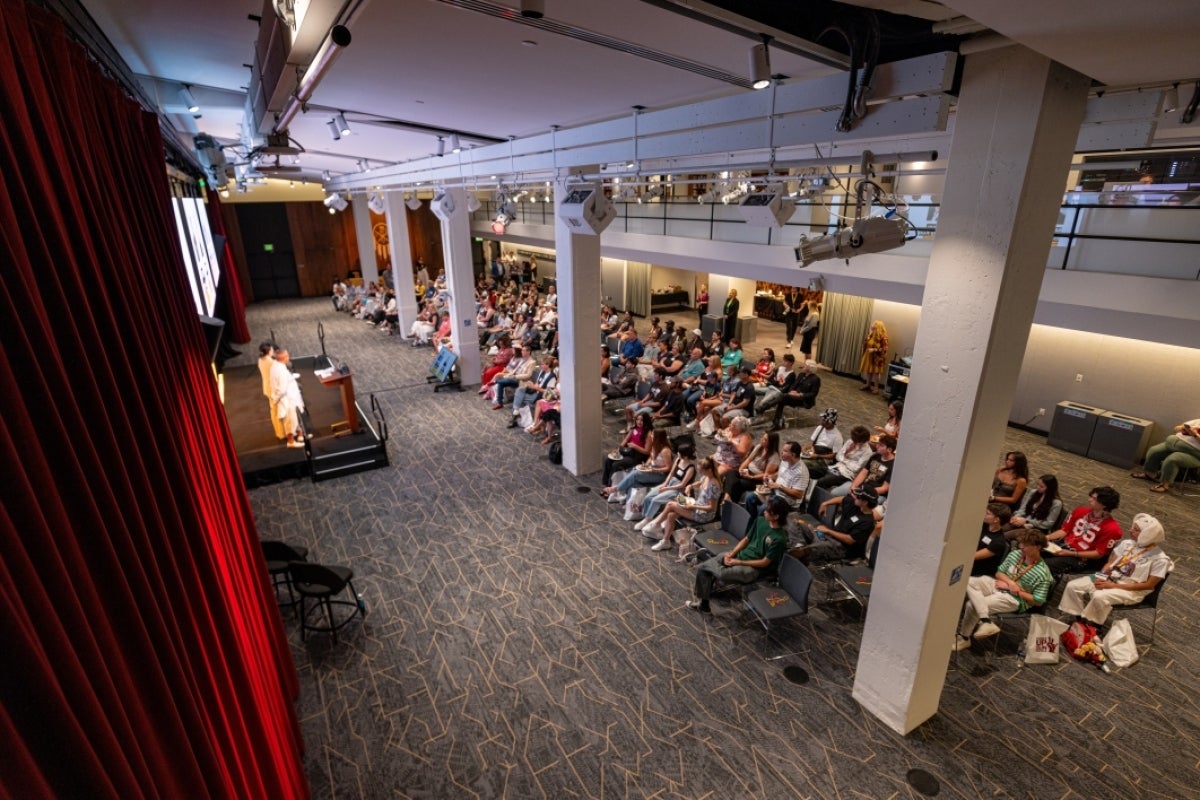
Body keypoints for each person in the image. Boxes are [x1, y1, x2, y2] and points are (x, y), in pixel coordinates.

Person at [1058, 513, 1170, 627]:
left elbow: (1148, 586)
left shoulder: (1160, 559)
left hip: (1130, 590)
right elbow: (1110, 563)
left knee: (1099, 596)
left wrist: (1112, 586)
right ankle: (1078, 619)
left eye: (1135, 530)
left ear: (1147, 535)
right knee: (1073, 585)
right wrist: (1101, 576)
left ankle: (1093, 626)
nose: (1130, 530)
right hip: (1109, 578)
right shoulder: (1127, 543)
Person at [686, 496, 790, 613]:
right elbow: (746, 539)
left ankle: (708, 575)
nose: (764, 511)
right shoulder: (760, 521)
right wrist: (732, 553)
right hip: (741, 555)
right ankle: (704, 605)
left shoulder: (779, 539)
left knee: (721, 574)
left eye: (768, 511)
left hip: (755, 569)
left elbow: (765, 562)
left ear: (776, 516)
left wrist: (738, 562)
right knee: (704, 569)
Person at [954, 529, 1052, 648]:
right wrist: (1010, 583)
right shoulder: (1016, 554)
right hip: (999, 584)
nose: (1021, 547)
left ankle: (964, 637)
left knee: (972, 605)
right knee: (967, 580)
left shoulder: (1043, 573)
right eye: (1021, 543)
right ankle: (986, 620)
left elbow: (1038, 601)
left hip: (1016, 599)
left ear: (1037, 547)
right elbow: (999, 573)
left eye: (1026, 545)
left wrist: (1016, 590)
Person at [644, 457, 722, 551]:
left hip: (704, 514)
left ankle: (656, 525)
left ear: (709, 470)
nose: (700, 473)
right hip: (697, 506)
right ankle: (665, 541)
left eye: (701, 471)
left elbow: (711, 508)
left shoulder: (714, 486)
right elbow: (699, 482)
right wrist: (690, 486)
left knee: (670, 505)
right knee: (671, 515)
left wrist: (692, 506)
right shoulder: (706, 476)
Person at [1043, 486, 1123, 576]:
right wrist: (1046, 537)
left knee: (1044, 566)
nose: (1089, 500)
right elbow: (1065, 530)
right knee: (1032, 549)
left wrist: (1071, 553)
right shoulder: (1080, 511)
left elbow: (1099, 553)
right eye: (1091, 497)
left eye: (1094, 499)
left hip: (1080, 558)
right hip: (1063, 546)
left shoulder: (1112, 529)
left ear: (1104, 504)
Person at [795, 486, 879, 563]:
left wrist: (828, 531)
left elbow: (849, 540)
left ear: (864, 502)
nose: (855, 497)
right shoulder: (855, 504)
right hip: (828, 536)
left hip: (841, 548)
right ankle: (798, 545)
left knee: (809, 550)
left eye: (858, 497)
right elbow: (842, 499)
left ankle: (798, 557)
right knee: (798, 524)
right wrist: (825, 504)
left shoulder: (867, 522)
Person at [634, 442, 697, 528]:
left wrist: (667, 488)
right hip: (670, 484)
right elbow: (671, 473)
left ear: (685, 456)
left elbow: (682, 485)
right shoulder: (678, 460)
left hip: (678, 490)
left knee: (655, 500)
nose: (677, 454)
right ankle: (645, 516)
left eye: (679, 453)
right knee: (648, 497)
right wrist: (665, 484)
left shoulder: (690, 468)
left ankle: (648, 519)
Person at [1131, 418, 1200, 494]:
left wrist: (1195, 434)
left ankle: (1164, 485)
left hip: (1194, 453)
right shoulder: (1197, 421)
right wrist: (1183, 429)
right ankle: (1150, 474)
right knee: (1154, 451)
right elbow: (1176, 428)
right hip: (1172, 444)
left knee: (1172, 459)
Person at [832, 434, 896, 498]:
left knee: (856, 502)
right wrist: (853, 486)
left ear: (889, 449)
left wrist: (863, 492)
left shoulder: (893, 465)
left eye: (881, 445)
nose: (877, 446)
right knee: (834, 493)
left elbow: (884, 488)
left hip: (875, 493)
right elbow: (863, 473)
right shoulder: (875, 456)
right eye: (878, 444)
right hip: (862, 487)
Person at [269, 347, 306, 448]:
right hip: (287, 399)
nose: (289, 357)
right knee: (290, 421)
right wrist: (275, 399)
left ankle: (299, 433)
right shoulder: (280, 370)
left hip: (289, 397)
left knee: (294, 418)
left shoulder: (276, 365)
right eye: (287, 356)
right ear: (284, 358)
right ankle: (291, 441)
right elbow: (282, 388)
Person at [770, 359, 820, 431]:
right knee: (782, 399)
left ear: (809, 368)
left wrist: (800, 395)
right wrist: (791, 392)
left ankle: (768, 406)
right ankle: (776, 423)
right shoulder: (801, 375)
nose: (802, 366)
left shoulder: (815, 379)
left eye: (804, 365)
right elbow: (793, 385)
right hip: (793, 397)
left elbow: (813, 394)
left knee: (783, 397)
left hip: (804, 400)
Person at [972, 504, 1012, 577]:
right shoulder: (982, 526)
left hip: (978, 573)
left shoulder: (999, 541)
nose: (984, 514)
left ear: (996, 519)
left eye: (987, 513)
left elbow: (973, 557)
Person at [801, 408, 844, 473]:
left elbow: (834, 456)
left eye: (826, 421)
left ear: (831, 423)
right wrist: (805, 448)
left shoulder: (838, 437)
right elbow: (811, 444)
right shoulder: (820, 428)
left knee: (802, 464)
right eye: (823, 420)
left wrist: (818, 456)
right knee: (792, 456)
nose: (823, 422)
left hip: (824, 460)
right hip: (814, 452)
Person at [257, 341, 284, 440]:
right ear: (268, 351)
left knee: (274, 410)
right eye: (271, 349)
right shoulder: (271, 362)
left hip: (268, 388)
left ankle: (280, 432)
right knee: (278, 411)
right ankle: (281, 433)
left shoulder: (261, 360)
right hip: (274, 389)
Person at [859, 320, 888, 393]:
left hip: (877, 358)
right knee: (868, 371)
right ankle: (868, 384)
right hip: (869, 355)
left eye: (874, 325)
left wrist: (874, 349)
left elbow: (885, 349)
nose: (872, 326)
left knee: (876, 373)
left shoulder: (883, 337)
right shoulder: (871, 334)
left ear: (878, 327)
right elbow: (867, 342)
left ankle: (876, 388)